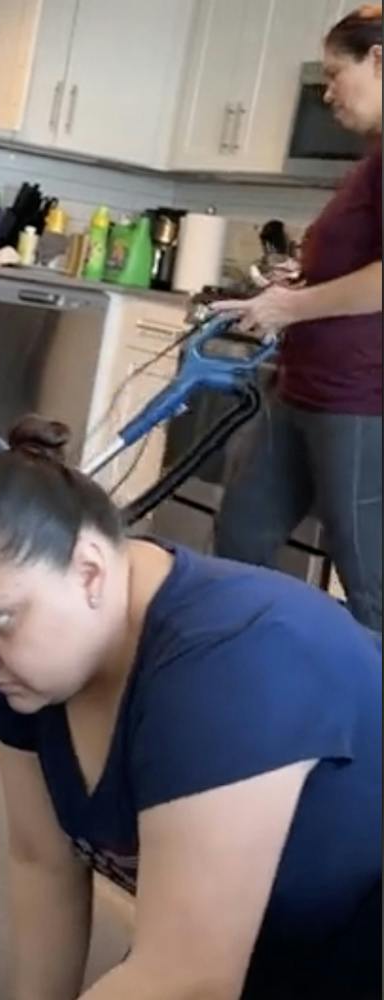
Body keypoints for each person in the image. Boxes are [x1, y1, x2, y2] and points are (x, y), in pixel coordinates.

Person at [0, 416, 381, 1000]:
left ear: (89, 571)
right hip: (268, 934)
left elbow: (190, 978)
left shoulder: (230, 661)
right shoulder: (21, 664)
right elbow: (43, 861)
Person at [212, 5, 382, 633]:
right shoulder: (369, 163)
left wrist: (292, 305)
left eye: (337, 72)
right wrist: (302, 283)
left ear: (380, 61)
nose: (327, 89)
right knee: (238, 543)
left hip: (359, 400)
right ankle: (236, 681)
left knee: (369, 585)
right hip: (301, 391)